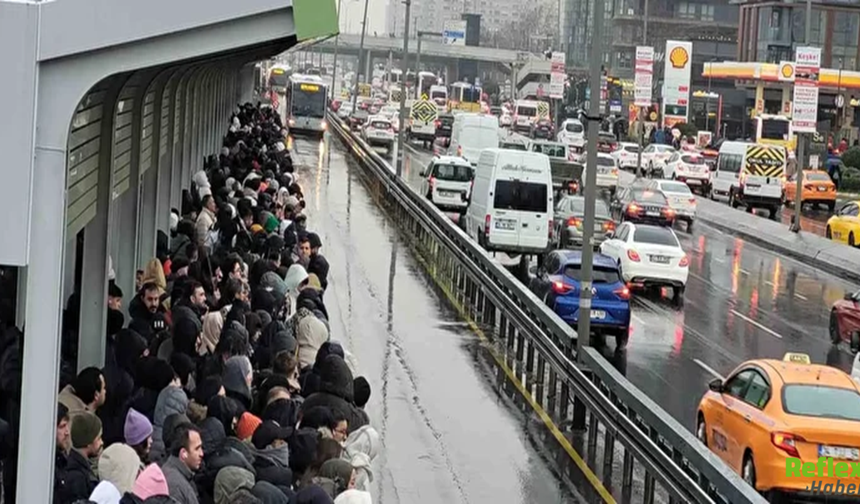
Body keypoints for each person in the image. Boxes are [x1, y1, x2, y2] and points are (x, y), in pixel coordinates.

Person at [58, 411, 103, 503]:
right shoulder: (77, 477)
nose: (102, 442)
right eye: (98, 438)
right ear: (88, 441)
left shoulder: (81, 469)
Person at [161, 424, 203, 504]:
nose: (201, 453)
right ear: (183, 453)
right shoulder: (174, 486)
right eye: (197, 448)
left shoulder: (183, 475)